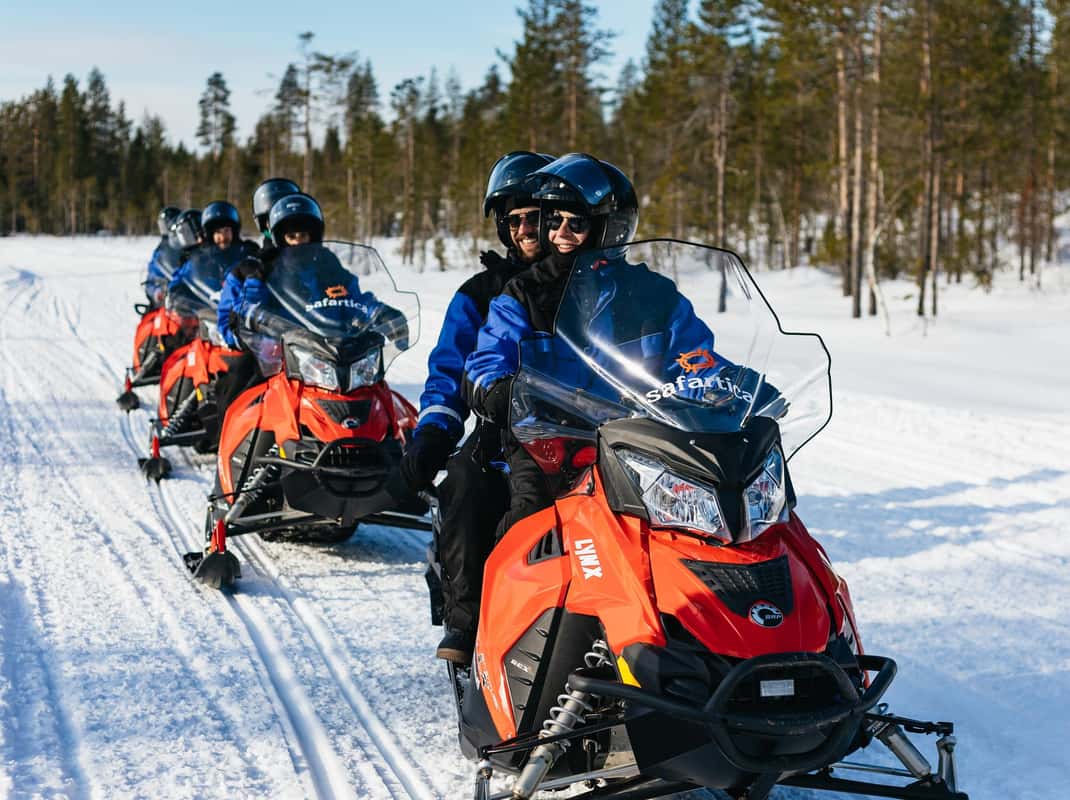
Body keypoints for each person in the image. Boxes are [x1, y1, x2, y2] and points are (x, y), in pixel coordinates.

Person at [384, 151, 554, 664]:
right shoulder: (480, 293)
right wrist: (433, 432)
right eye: (515, 218)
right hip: (506, 429)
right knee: (465, 482)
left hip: (592, 431)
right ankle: (468, 621)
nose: (526, 228)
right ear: (504, 226)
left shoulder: (590, 284)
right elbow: (449, 369)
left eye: (536, 216)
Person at [144, 206, 183, 307]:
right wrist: (157, 291)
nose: (164, 229)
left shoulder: (186, 246)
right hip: (166, 300)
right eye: (162, 225)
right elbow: (151, 277)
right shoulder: (160, 251)